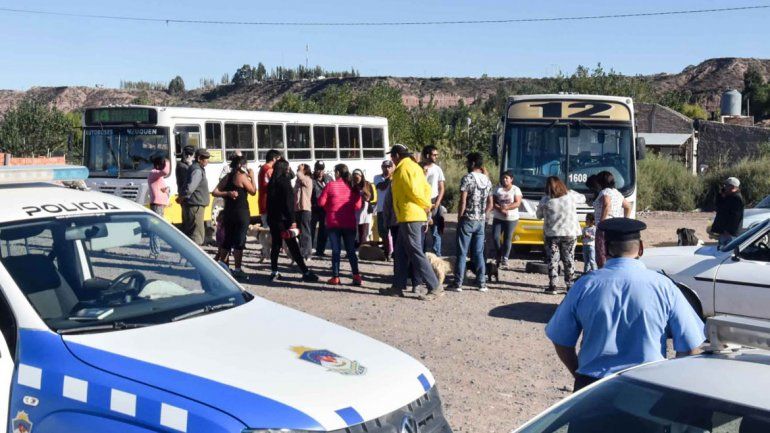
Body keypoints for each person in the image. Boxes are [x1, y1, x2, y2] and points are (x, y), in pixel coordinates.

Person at [545, 218, 705, 392]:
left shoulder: (584, 285)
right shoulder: (664, 286)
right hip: (647, 385)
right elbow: (690, 345)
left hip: (592, 387)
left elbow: (560, 339)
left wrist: (578, 374)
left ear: (605, 249)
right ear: (641, 248)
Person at [380, 144, 442, 300]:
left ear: (396, 155)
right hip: (408, 216)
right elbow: (427, 188)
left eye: (392, 156)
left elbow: (414, 191)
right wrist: (426, 204)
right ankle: (398, 286)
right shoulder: (414, 167)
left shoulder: (404, 169)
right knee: (400, 252)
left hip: (410, 216)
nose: (391, 159)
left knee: (415, 252)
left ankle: (435, 286)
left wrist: (426, 205)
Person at [266, 159, 319, 282]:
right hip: (284, 220)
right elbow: (289, 204)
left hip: (273, 219)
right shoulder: (285, 182)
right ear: (285, 169)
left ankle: (274, 271)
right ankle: (305, 272)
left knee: (276, 245)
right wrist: (292, 220)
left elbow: (269, 203)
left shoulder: (272, 183)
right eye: (288, 168)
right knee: (293, 246)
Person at [448, 152, 493, 293]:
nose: (466, 164)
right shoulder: (487, 180)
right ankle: (482, 283)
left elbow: (462, 200)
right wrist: (483, 214)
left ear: (473, 163)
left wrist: (460, 216)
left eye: (468, 162)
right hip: (480, 220)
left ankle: (458, 283)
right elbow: (490, 203)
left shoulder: (467, 178)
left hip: (467, 219)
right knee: (478, 252)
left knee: (462, 252)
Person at [537, 176, 584, 294]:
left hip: (551, 234)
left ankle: (553, 286)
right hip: (570, 233)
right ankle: (570, 286)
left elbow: (538, 216)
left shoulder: (545, 200)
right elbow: (583, 198)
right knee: (569, 259)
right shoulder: (571, 195)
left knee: (553, 260)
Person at [317, 164, 363, 286]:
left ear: (337, 172)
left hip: (333, 222)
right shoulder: (353, 187)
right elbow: (358, 206)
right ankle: (356, 276)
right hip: (349, 222)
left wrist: (330, 208)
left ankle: (336, 277)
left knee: (336, 250)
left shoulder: (330, 185)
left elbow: (321, 202)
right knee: (351, 250)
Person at [212, 155, 256, 278]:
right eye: (245, 164)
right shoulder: (242, 177)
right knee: (239, 241)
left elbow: (214, 191)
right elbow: (253, 191)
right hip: (241, 212)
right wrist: (252, 177)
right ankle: (237, 269)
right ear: (240, 166)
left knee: (227, 240)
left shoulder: (228, 177)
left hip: (228, 212)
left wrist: (227, 193)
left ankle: (223, 268)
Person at [593, 170, 632, 268]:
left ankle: (603, 274)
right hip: (616, 227)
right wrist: (625, 221)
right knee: (614, 253)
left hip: (605, 228)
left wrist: (602, 222)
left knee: (602, 253)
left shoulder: (604, 192)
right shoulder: (617, 193)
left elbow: (606, 204)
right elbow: (628, 206)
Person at [178, 148, 211, 246]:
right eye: (206, 158)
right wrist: (182, 197)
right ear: (200, 158)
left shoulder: (195, 168)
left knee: (191, 232)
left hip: (193, 204)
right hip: (195, 205)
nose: (207, 161)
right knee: (197, 235)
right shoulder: (197, 170)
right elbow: (190, 188)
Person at [491, 171, 523, 269]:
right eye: (503, 178)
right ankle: (499, 254)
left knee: (507, 238)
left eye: (507, 178)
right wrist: (500, 209)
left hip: (511, 218)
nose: (504, 180)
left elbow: (517, 203)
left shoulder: (515, 189)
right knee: (495, 237)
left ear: (511, 179)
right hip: (498, 217)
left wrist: (507, 208)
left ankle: (505, 258)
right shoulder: (497, 189)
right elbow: (493, 202)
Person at [421, 145, 446, 255]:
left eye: (437, 155)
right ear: (427, 155)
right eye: (434, 154)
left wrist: (437, 203)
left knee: (435, 230)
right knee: (422, 230)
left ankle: (437, 254)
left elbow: (441, 187)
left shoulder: (437, 169)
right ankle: (422, 254)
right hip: (421, 201)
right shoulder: (418, 167)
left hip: (434, 199)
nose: (436, 156)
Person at [147, 156, 171, 257]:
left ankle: (155, 250)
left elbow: (160, 188)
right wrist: (168, 161)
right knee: (155, 228)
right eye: (162, 164)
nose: (163, 167)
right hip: (157, 205)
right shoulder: (153, 173)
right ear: (158, 165)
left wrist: (166, 190)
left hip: (159, 205)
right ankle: (155, 251)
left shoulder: (157, 176)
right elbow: (166, 171)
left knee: (156, 228)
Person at [711, 177, 744, 248]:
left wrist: (728, 230)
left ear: (733, 187)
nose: (724, 187)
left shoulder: (737, 198)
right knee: (721, 250)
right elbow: (718, 205)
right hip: (723, 231)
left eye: (727, 185)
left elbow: (736, 217)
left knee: (727, 251)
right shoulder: (728, 196)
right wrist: (720, 194)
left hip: (729, 233)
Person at [310, 161, 333, 257]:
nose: (320, 172)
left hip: (325, 208)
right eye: (318, 169)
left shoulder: (328, 179)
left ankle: (320, 250)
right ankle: (308, 250)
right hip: (313, 208)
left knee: (324, 230)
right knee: (311, 230)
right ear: (315, 169)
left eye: (322, 169)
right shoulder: (310, 179)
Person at [374, 160, 395, 258]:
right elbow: (381, 187)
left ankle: (394, 252)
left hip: (393, 209)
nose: (387, 169)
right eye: (385, 167)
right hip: (381, 209)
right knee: (383, 232)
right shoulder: (377, 177)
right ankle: (387, 252)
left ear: (392, 167)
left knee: (394, 232)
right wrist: (390, 178)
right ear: (382, 167)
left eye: (389, 167)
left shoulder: (395, 178)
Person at [294, 163, 314, 260]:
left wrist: (300, 170)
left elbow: (300, 176)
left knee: (305, 232)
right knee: (299, 232)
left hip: (305, 209)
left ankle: (308, 254)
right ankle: (302, 252)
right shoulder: (298, 181)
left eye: (302, 166)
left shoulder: (308, 179)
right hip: (297, 209)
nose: (299, 166)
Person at [258, 149, 282, 226]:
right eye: (279, 159)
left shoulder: (263, 168)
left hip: (263, 203)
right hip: (269, 204)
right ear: (274, 159)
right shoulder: (270, 170)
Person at [352, 169, 376, 247]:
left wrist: (364, 192)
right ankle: (358, 242)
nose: (356, 179)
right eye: (354, 177)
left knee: (366, 226)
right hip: (357, 208)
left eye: (357, 177)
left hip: (366, 207)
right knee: (358, 226)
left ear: (361, 176)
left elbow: (371, 196)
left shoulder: (367, 184)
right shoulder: (353, 186)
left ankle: (365, 242)